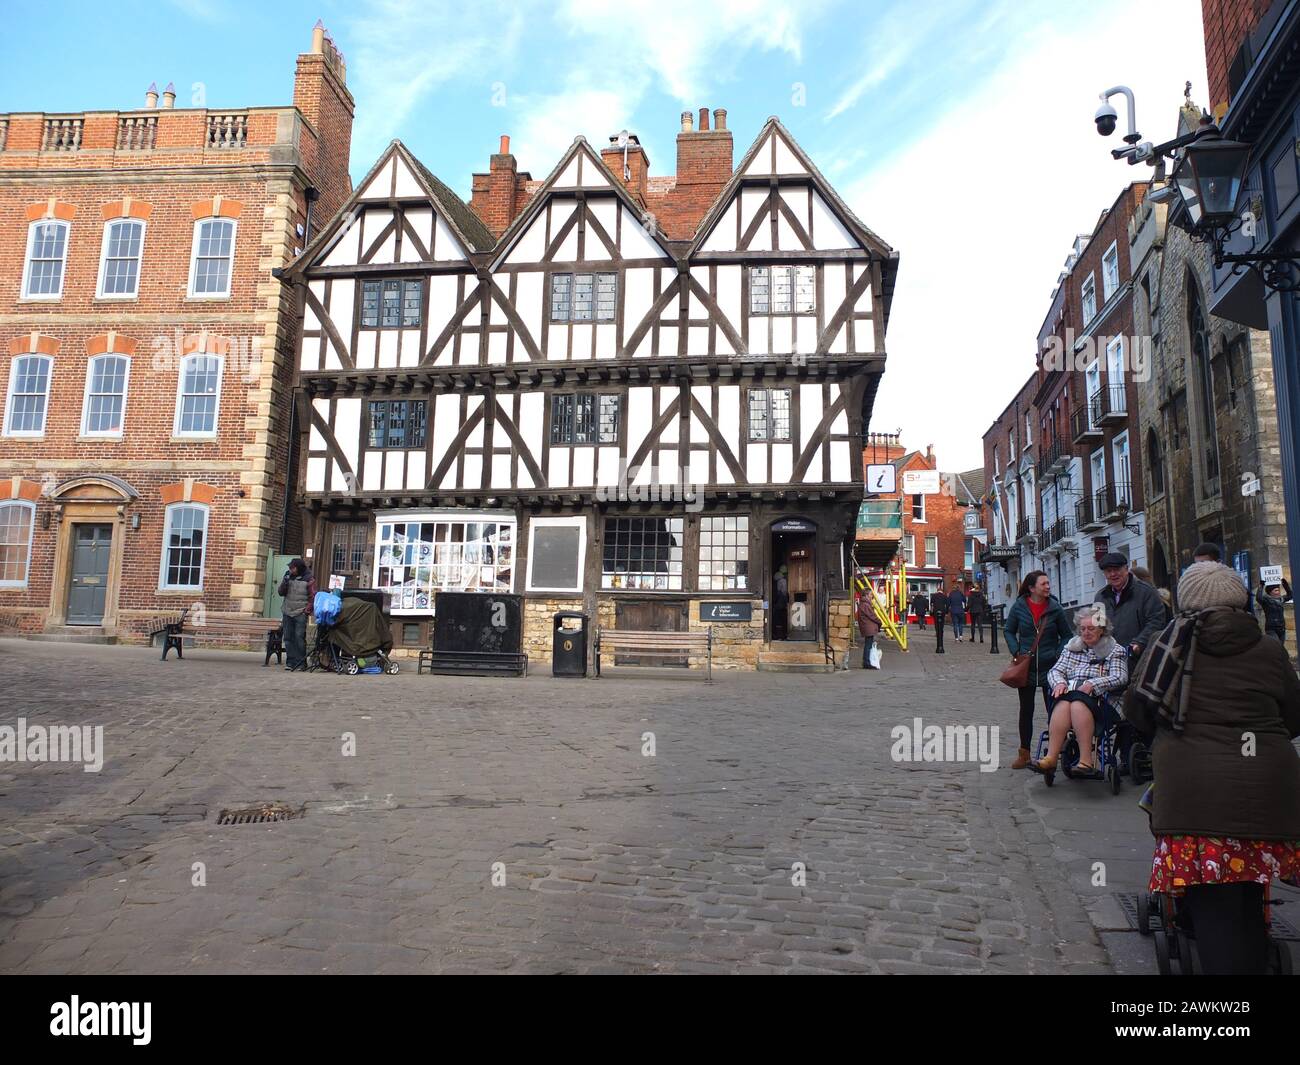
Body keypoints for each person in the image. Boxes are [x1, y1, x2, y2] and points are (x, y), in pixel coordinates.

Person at [1123, 562, 1300, 975]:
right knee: (1250, 888)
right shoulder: (1269, 648)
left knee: (1213, 904)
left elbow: (1138, 710)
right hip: (1269, 787)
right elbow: (1294, 715)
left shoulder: (1169, 645)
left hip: (1193, 791)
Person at [1030, 604, 1129, 777]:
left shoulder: (1115, 650)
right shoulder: (1071, 648)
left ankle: (1086, 761)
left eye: (1091, 628)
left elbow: (1120, 677)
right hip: (1072, 695)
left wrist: (1093, 684)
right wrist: (1059, 683)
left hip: (1104, 703)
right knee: (1064, 704)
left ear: (1102, 630)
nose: (1086, 632)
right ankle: (1051, 758)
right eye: (1082, 628)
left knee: (1076, 704)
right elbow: (1055, 671)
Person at [1004, 571, 1074, 770]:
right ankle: (1024, 753)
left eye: (1048, 583)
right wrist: (1015, 649)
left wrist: (1057, 653)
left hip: (1050, 668)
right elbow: (1009, 630)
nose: (1048, 586)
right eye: (1043, 584)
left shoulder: (1055, 608)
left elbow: (1067, 635)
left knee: (1054, 710)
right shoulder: (1019, 607)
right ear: (1032, 588)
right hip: (1026, 667)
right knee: (1026, 710)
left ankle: (1055, 750)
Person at [1094, 552, 1165, 664]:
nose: (1113, 574)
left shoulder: (1146, 592)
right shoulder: (1100, 597)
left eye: (1117, 569)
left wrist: (1139, 643)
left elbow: (1156, 621)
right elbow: (1097, 625)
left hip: (1140, 656)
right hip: (1110, 658)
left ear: (1126, 569)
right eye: (1108, 571)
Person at [278, 557, 317, 672]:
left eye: (292, 568)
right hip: (287, 611)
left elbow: (312, 596)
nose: (290, 570)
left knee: (299, 637)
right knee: (288, 638)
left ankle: (301, 662)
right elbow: (281, 592)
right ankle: (290, 661)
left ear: (298, 567)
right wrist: (285, 582)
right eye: (289, 568)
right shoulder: (287, 576)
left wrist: (307, 610)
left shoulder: (309, 578)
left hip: (300, 612)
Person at [1256, 577, 1293, 643]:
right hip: (1271, 629)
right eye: (1276, 590)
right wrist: (1261, 586)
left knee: (1281, 647)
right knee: (1276, 645)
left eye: (1278, 590)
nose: (1278, 592)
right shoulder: (1266, 601)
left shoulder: (1281, 599)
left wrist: (1285, 585)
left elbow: (1290, 595)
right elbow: (1258, 598)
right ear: (1270, 592)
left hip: (1281, 628)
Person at [855, 591, 882, 669]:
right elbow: (872, 615)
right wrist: (879, 621)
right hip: (868, 627)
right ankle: (867, 662)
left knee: (868, 644)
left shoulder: (863, 603)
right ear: (866, 595)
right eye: (870, 595)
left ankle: (866, 661)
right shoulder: (866, 604)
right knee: (868, 645)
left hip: (867, 626)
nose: (871, 596)